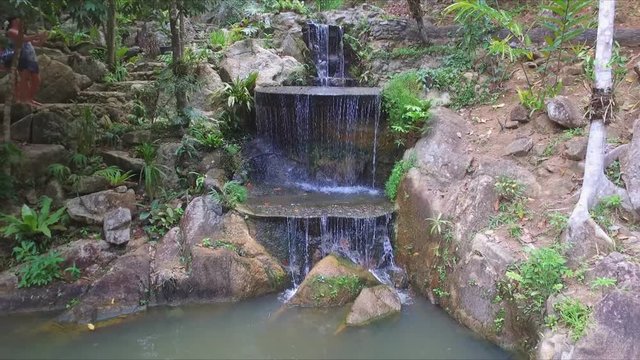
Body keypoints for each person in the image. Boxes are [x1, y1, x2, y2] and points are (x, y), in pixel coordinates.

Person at [3, 17, 47, 106]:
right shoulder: (11, 31)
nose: (21, 21)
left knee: (36, 80)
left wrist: (43, 38)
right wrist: (37, 35)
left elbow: (37, 43)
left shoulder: (23, 33)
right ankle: (25, 99)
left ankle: (30, 98)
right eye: (19, 20)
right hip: (22, 57)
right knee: (25, 79)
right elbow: (23, 39)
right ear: (14, 21)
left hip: (31, 58)